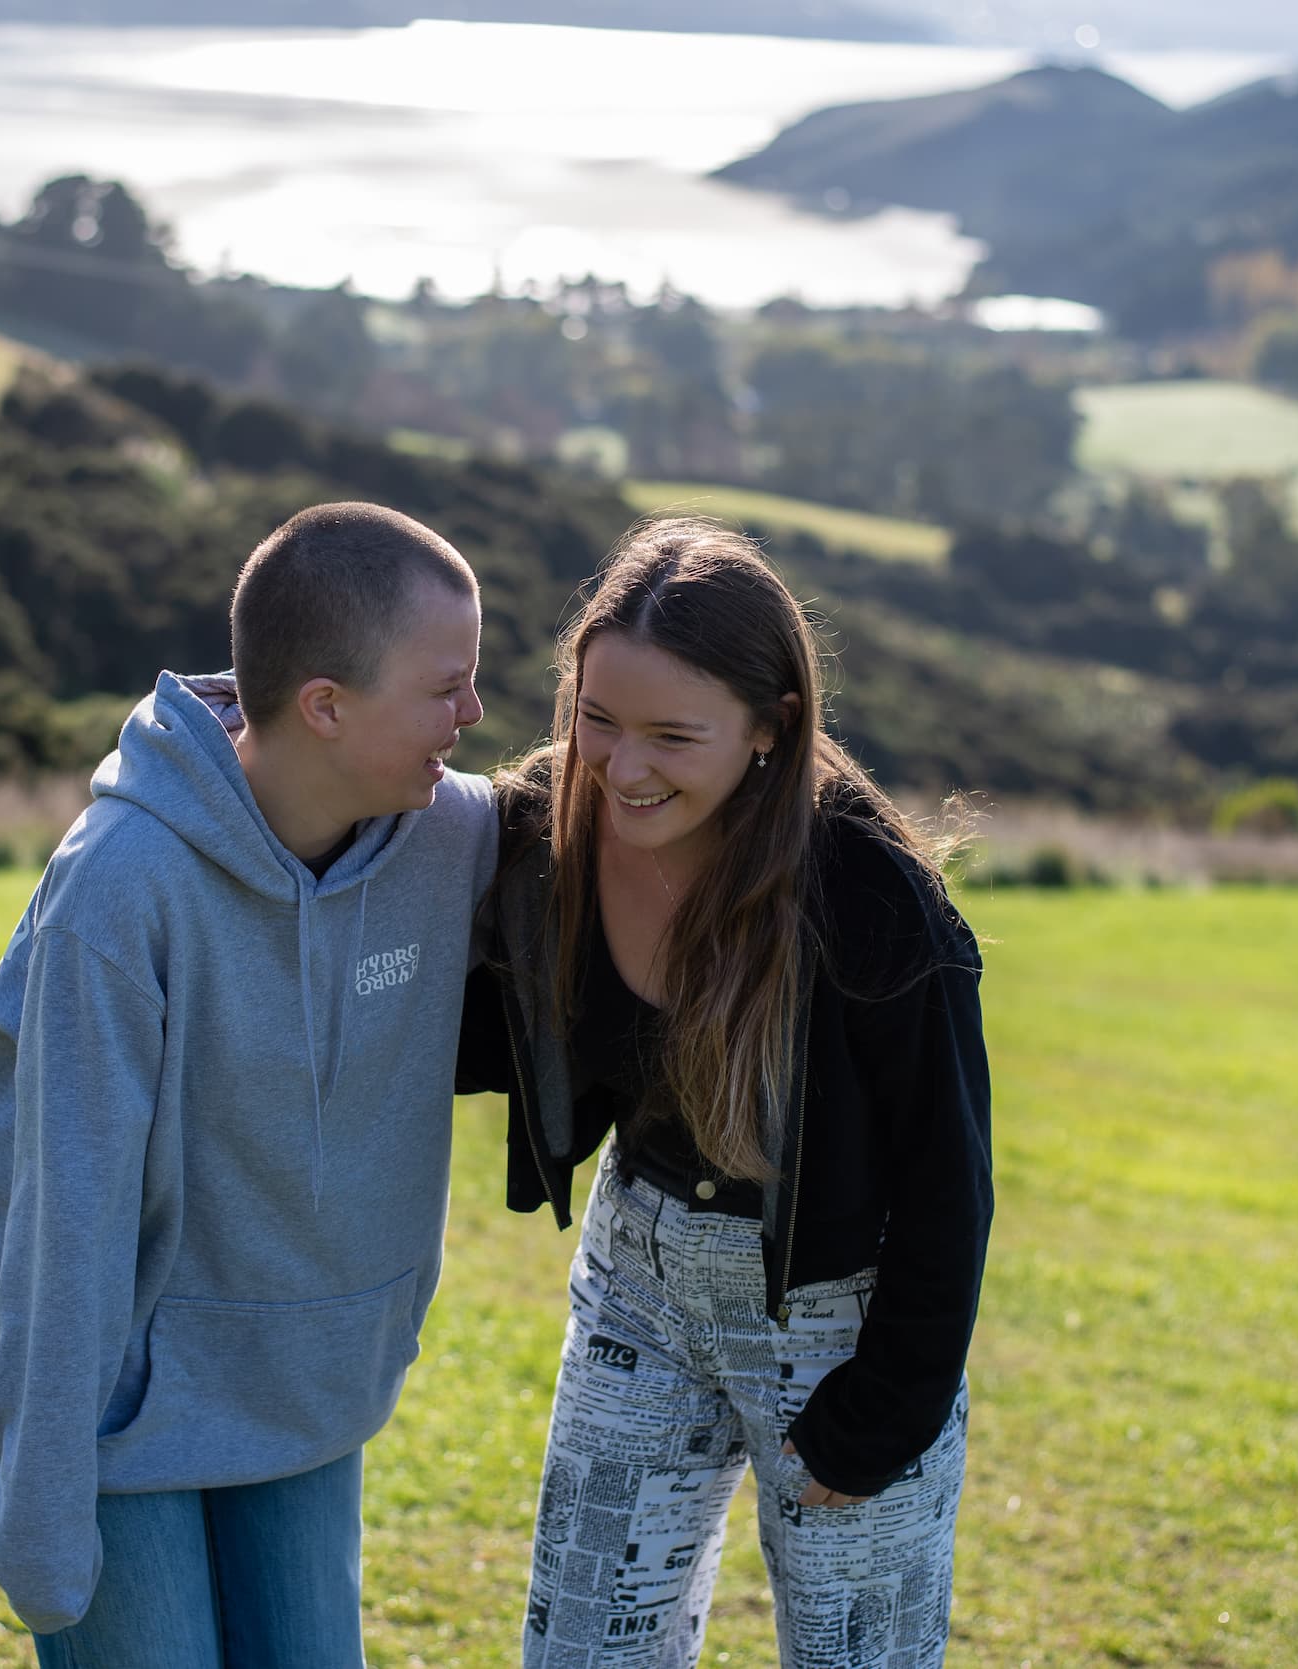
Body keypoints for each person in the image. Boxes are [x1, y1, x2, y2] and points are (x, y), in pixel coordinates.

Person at [0, 501, 499, 1667]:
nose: (474, 714)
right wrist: (42, 1497)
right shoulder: (121, 886)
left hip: (299, 1385)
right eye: (446, 686)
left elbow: (642, 824)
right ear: (325, 705)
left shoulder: (449, 837)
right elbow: (62, 1215)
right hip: (105, 1398)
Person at [458, 516, 992, 1668]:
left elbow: (950, 1185)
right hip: (634, 1286)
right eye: (597, 718)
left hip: (835, 1322)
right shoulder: (545, 826)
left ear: (769, 728)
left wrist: (880, 1417)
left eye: (670, 735)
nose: (622, 765)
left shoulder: (873, 900)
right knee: (584, 1653)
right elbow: (478, 1028)